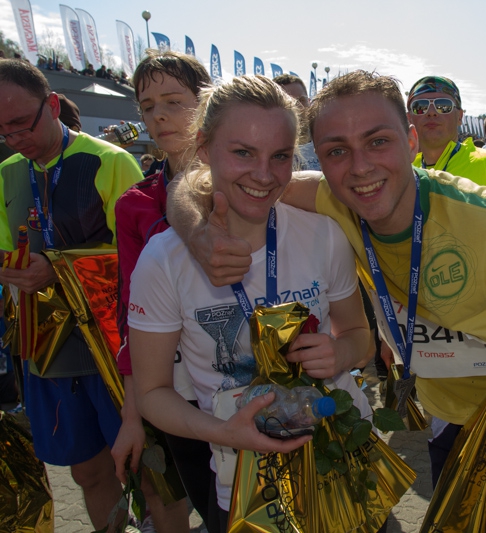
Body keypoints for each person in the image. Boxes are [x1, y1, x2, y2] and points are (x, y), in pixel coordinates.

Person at [166, 70, 486, 490]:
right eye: (337, 151)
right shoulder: (334, 198)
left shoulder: (481, 215)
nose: (360, 167)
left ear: (411, 142)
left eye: (378, 142)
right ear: (319, 160)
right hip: (450, 414)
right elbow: (198, 181)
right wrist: (196, 232)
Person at [128, 74, 372, 530]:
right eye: (243, 152)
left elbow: (360, 338)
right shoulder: (164, 260)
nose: (264, 175)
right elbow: (152, 393)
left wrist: (340, 353)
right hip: (246, 483)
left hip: (340, 459)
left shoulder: (323, 234)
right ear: (204, 148)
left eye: (280, 156)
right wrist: (223, 432)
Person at [0, 59, 141, 531]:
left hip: (116, 346)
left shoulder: (111, 161)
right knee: (87, 472)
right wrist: (11, 270)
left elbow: (144, 259)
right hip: (49, 350)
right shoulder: (6, 173)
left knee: (148, 472)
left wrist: (58, 268)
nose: (13, 138)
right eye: (2, 130)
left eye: (22, 123)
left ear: (54, 104)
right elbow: (5, 251)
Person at [112, 49, 212, 532]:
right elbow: (131, 315)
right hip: (180, 395)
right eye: (148, 106)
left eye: (174, 101)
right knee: (214, 510)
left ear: (207, 103)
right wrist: (133, 416)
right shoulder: (135, 205)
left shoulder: (250, 182)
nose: (159, 116)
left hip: (256, 381)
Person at [407, 76, 486, 195]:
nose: (431, 112)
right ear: (409, 118)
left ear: (460, 117)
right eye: (420, 107)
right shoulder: (406, 173)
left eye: (443, 106)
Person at [272, 73, 319, 171]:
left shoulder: (326, 142)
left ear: (309, 102)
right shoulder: (269, 152)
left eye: (302, 100)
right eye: (290, 102)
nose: (299, 108)